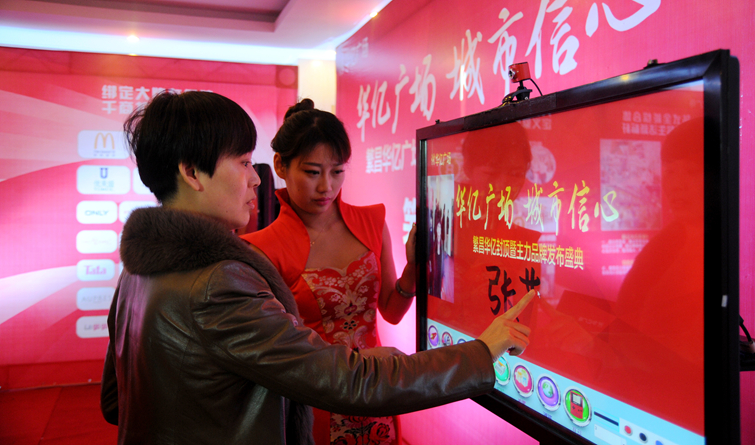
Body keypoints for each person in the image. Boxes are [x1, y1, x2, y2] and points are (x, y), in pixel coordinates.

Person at [100, 90, 537, 445]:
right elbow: (346, 380)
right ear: (192, 173)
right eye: (243, 162)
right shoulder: (219, 281)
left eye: (337, 171)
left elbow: (116, 401)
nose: (255, 178)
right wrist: (481, 353)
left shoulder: (138, 271)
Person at [239, 99, 416, 445]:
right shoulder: (261, 249)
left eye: (337, 172)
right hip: (312, 405)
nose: (326, 187)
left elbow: (392, 312)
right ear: (280, 165)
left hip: (376, 394)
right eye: (312, 172)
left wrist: (413, 269)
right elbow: (272, 355)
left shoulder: (372, 221)